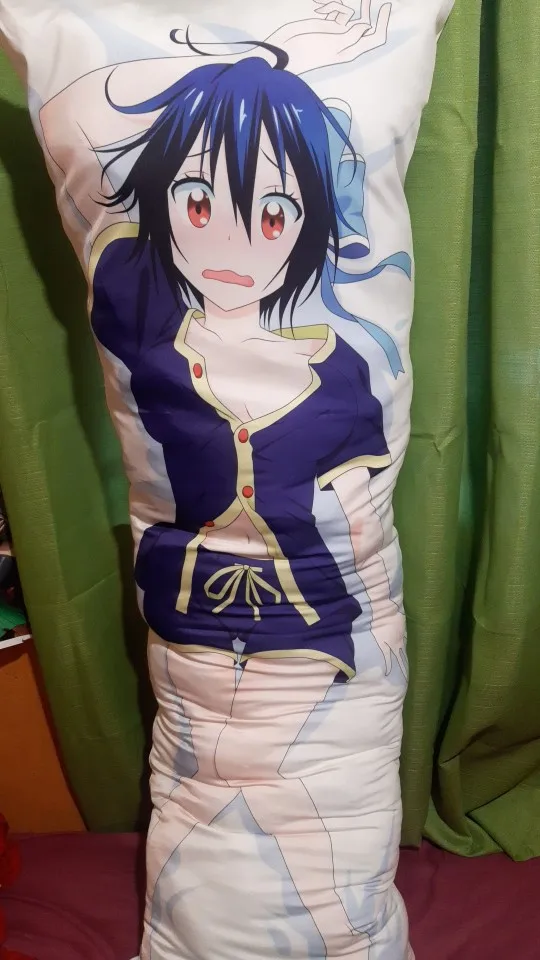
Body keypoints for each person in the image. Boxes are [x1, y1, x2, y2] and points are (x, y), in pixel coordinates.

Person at [40, 3, 408, 956]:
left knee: (301, 807)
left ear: (307, 228)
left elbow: (352, 518)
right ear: (164, 204)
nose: (232, 244)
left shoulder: (339, 371)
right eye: (199, 204)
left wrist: (374, 635)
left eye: (274, 214)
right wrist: (258, 64)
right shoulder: (141, 309)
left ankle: (351, 935)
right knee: (206, 795)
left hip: (315, 630)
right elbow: (88, 123)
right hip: (190, 617)